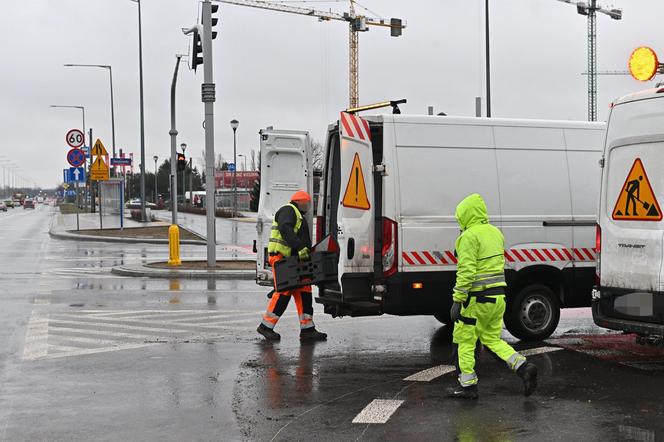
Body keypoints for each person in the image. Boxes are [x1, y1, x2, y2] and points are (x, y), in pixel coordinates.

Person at [447, 193, 537, 399]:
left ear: (466, 216)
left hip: (475, 300)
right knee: (491, 339)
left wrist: (457, 300)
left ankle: (467, 386)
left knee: (464, 341)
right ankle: (524, 367)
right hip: (497, 297)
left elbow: (467, 272)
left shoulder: (468, 237)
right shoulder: (496, 233)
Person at [257, 190, 327, 342]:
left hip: (292, 262)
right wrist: (300, 247)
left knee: (304, 291)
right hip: (283, 260)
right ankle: (266, 326)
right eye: (307, 203)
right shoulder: (289, 210)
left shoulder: (294, 213)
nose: (308, 206)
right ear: (300, 201)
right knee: (284, 292)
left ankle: (308, 328)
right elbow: (285, 228)